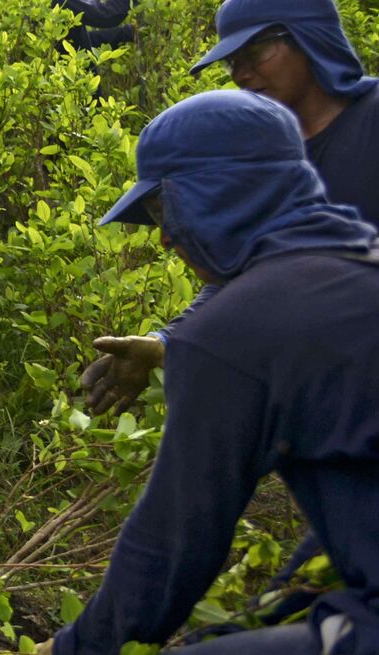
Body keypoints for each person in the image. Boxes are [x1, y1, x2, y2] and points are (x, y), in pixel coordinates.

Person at [48, 89, 379, 655]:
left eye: (163, 210)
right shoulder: (356, 262)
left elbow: (174, 543)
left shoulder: (235, 330)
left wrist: (74, 649)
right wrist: (280, 600)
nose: (164, 238)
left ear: (217, 195)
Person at [80, 0, 379, 417]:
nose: (240, 74)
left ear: (308, 39)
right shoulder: (259, 154)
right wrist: (169, 342)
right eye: (232, 62)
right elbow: (240, 268)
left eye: (254, 53)